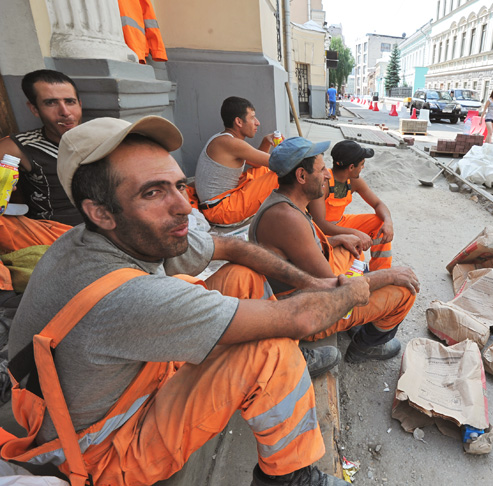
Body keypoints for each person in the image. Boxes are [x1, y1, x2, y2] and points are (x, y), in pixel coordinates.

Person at [6, 116, 365, 486]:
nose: (184, 207)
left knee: (242, 277)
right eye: (153, 192)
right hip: (105, 449)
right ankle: (289, 477)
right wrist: (351, 289)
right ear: (100, 211)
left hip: (118, 384)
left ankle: (290, 367)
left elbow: (229, 245)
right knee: (269, 351)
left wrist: (313, 282)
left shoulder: (109, 233)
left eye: (179, 185)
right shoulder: (126, 297)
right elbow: (300, 320)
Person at [249, 137, 419, 363]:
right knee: (405, 291)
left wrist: (338, 239)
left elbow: (308, 252)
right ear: (301, 176)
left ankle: (360, 313)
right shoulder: (288, 218)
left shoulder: (284, 205)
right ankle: (366, 346)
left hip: (303, 294)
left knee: (352, 247)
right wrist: (389, 275)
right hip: (306, 312)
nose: (328, 175)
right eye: (321, 170)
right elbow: (333, 289)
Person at [0, 70, 84, 291]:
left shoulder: (101, 138)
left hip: (106, 228)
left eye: (70, 101)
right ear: (34, 109)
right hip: (49, 234)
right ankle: (5, 295)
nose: (65, 112)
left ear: (79, 103)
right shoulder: (18, 147)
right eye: (50, 103)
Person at [308, 140, 393, 271]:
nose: (363, 167)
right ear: (351, 167)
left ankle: (381, 271)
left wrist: (388, 221)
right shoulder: (323, 184)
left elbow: (378, 204)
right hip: (322, 232)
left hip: (341, 223)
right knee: (355, 252)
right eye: (362, 164)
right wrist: (355, 233)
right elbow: (320, 224)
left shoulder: (354, 181)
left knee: (380, 222)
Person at [194, 96, 279, 225]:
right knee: (280, 175)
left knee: (263, 170)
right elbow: (281, 162)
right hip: (220, 210)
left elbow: (257, 163)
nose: (257, 122)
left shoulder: (223, 139)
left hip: (218, 204)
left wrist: (266, 141)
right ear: (239, 122)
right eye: (252, 117)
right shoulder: (231, 143)